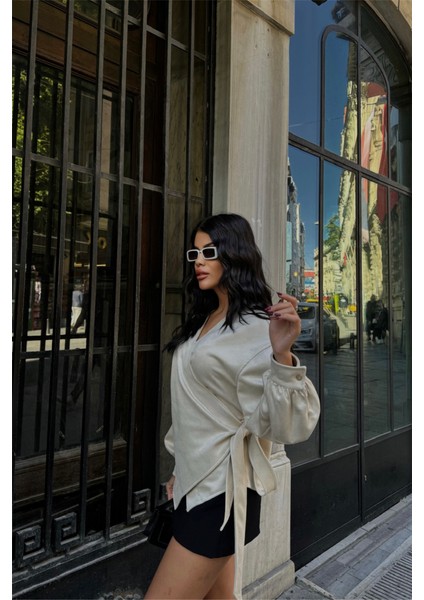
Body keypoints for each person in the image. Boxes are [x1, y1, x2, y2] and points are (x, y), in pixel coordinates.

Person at [145, 213, 320, 600]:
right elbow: (196, 409)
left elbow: (292, 426)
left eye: (209, 252)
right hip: (194, 484)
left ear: (234, 254)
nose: (199, 261)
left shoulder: (259, 328)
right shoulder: (206, 318)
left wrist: (283, 355)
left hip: (221, 495)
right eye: (195, 252)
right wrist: (179, 471)